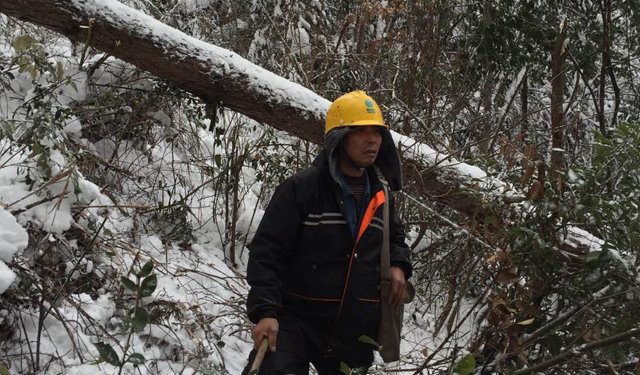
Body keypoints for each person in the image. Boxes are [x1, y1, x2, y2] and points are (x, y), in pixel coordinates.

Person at [243, 91, 412, 374]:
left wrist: (398, 264)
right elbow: (267, 252)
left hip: (354, 330)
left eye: (377, 132)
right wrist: (266, 312)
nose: (372, 139)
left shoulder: (382, 197)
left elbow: (395, 238)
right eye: (361, 131)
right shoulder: (302, 189)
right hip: (295, 320)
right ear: (339, 138)